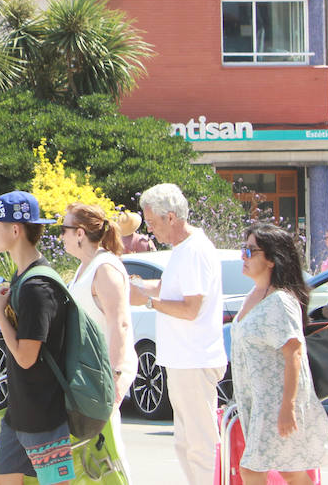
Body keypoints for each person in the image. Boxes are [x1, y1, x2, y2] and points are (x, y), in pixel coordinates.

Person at [130, 183, 225, 485]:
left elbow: (191, 308)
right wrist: (141, 286)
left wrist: (146, 300)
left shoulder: (194, 250)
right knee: (187, 444)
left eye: (153, 222)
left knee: (200, 445)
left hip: (193, 359)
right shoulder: (184, 249)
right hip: (185, 360)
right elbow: (175, 290)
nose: (150, 229)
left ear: (171, 217)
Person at [230, 223, 328, 484]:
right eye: (244, 248)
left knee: (252, 470)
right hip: (257, 400)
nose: (243, 256)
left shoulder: (280, 301)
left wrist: (287, 407)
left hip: (275, 402)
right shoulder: (254, 295)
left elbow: (294, 354)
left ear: (271, 260)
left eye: (250, 250)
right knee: (291, 470)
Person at [0, 191, 72, 485]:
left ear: (15, 229)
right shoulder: (21, 278)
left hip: (44, 412)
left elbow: (25, 356)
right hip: (21, 411)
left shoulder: (38, 286)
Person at [61, 203, 135, 475]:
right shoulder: (86, 267)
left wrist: (113, 376)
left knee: (108, 445)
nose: (61, 237)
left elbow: (120, 324)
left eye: (64, 230)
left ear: (80, 233)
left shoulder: (105, 268)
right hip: (91, 369)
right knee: (97, 447)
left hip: (106, 370)